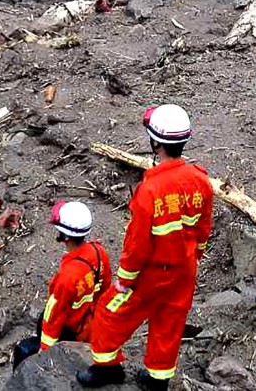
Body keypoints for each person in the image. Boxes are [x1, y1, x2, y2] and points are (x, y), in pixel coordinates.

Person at [78, 104, 213, 391]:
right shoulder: (200, 179)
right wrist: (194, 254)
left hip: (152, 273)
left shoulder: (150, 190)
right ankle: (157, 380)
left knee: (108, 313)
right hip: (185, 270)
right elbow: (203, 227)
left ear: (155, 142)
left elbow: (137, 243)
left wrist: (125, 280)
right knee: (169, 322)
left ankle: (107, 368)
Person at [12, 201, 112, 370]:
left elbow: (54, 316)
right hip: (92, 323)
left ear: (65, 236)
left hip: (73, 331)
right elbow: (105, 289)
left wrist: (45, 352)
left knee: (23, 350)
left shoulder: (67, 277)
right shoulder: (98, 252)